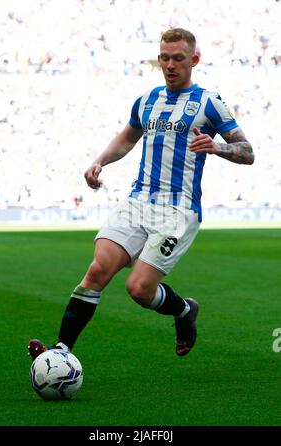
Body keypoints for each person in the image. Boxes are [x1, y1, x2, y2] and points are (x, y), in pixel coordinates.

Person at [29, 28, 254, 361]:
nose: (170, 65)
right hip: (137, 202)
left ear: (194, 60)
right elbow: (127, 139)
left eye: (178, 58)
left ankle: (183, 310)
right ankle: (61, 351)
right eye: (165, 58)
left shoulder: (209, 102)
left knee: (138, 289)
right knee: (96, 272)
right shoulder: (148, 100)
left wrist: (218, 147)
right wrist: (99, 161)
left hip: (177, 211)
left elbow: (247, 151)